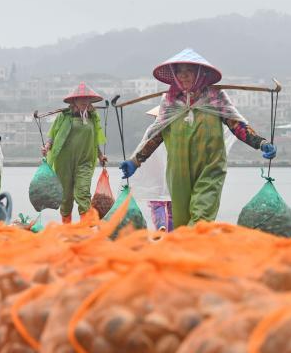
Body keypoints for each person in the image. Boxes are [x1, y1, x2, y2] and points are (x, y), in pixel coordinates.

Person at [119, 48, 277, 229]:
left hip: (210, 167)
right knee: (181, 224)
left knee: (201, 216)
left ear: (200, 74)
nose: (183, 77)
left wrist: (261, 143)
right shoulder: (170, 101)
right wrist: (135, 161)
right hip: (178, 172)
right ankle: (186, 255)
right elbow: (156, 135)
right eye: (180, 72)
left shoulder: (215, 97)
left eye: (189, 72)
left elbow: (237, 125)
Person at [41, 82, 108, 224]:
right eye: (81, 99)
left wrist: (100, 155)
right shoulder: (64, 117)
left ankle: (86, 226)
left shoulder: (92, 117)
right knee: (66, 197)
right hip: (64, 161)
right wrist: (47, 146)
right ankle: (67, 228)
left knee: (83, 192)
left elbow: (94, 139)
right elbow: (52, 135)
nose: (84, 102)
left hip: (85, 161)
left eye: (87, 99)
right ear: (74, 101)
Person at [130, 105, 173, 232]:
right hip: (171, 173)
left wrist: (133, 163)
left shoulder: (151, 130)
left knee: (156, 202)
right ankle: (171, 232)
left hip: (155, 174)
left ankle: (161, 226)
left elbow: (141, 150)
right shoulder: (175, 129)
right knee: (172, 204)